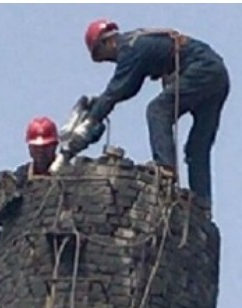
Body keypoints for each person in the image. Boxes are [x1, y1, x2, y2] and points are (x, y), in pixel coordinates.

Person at [70, 19, 229, 202]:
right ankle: (202, 203)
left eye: (104, 55)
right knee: (197, 147)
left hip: (201, 68)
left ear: (108, 41)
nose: (110, 61)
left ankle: (165, 168)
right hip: (217, 74)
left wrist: (91, 119)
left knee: (157, 110)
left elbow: (117, 90)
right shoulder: (139, 41)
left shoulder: (130, 48)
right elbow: (129, 87)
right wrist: (100, 103)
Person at [0, 117, 59, 297]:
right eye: (37, 149)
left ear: (54, 147)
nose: (41, 154)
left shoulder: (68, 172)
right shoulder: (21, 176)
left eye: (45, 149)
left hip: (57, 223)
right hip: (21, 231)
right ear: (30, 150)